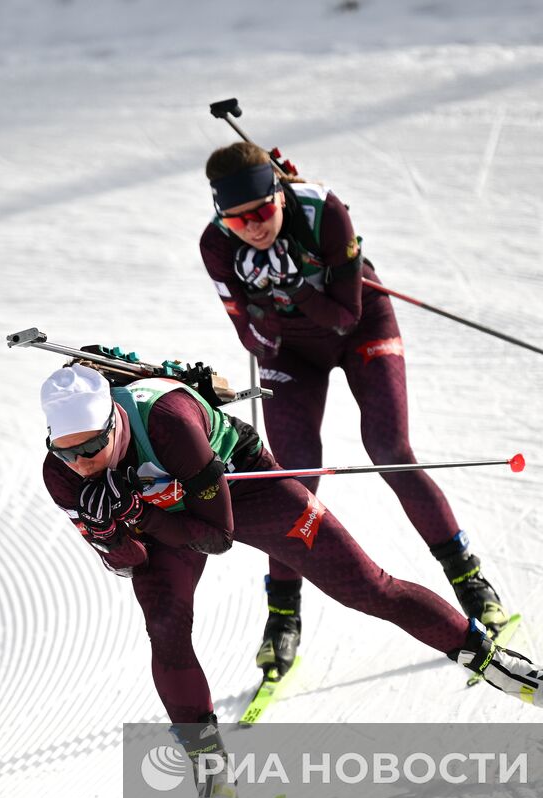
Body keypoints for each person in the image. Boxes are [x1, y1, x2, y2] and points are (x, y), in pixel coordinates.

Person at [38, 364, 543, 798]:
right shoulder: (60, 475)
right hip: (162, 520)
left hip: (245, 489)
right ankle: (213, 778)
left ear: (114, 421)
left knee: (367, 588)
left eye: (91, 447)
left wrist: (140, 513)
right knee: (165, 628)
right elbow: (126, 564)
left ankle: (491, 660)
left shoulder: (169, 422)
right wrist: (111, 532)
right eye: (66, 452)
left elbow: (217, 536)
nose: (82, 462)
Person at [198, 142, 513, 683]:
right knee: (290, 478)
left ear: (279, 193)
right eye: (237, 219)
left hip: (362, 329)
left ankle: (470, 581)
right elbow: (251, 338)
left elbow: (345, 315)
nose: (252, 227)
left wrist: (287, 286)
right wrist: (277, 308)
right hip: (291, 350)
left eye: (262, 212)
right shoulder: (216, 244)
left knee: (390, 451)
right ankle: (282, 616)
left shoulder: (323, 212)